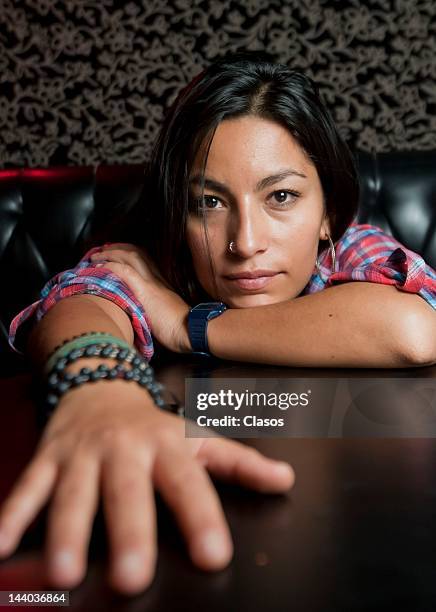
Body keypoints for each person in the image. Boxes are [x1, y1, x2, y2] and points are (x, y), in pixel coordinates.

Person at [1, 52, 435, 596]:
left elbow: (415, 331)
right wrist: (97, 386)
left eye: (281, 196)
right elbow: (84, 301)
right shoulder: (152, 263)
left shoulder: (347, 247)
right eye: (208, 202)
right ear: (176, 214)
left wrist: (190, 325)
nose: (246, 242)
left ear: (326, 211)